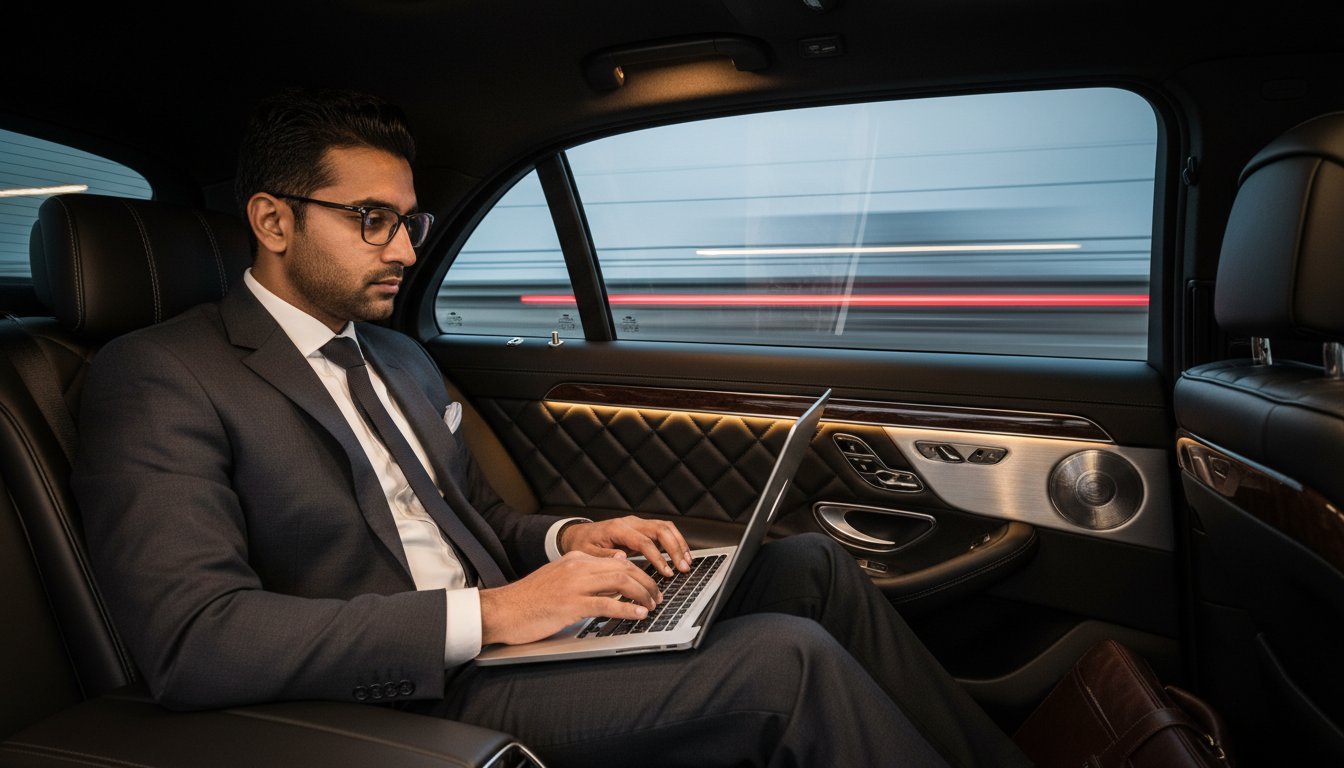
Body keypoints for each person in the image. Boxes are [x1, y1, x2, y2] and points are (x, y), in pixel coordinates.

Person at [73, 89, 1030, 768]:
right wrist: (495, 616)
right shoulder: (160, 376)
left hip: (511, 634)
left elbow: (477, 518)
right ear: (273, 221)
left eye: (409, 221)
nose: (405, 249)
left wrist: (571, 541)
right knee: (785, 661)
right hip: (413, 689)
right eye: (371, 219)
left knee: (811, 567)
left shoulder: (396, 357)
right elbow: (197, 640)